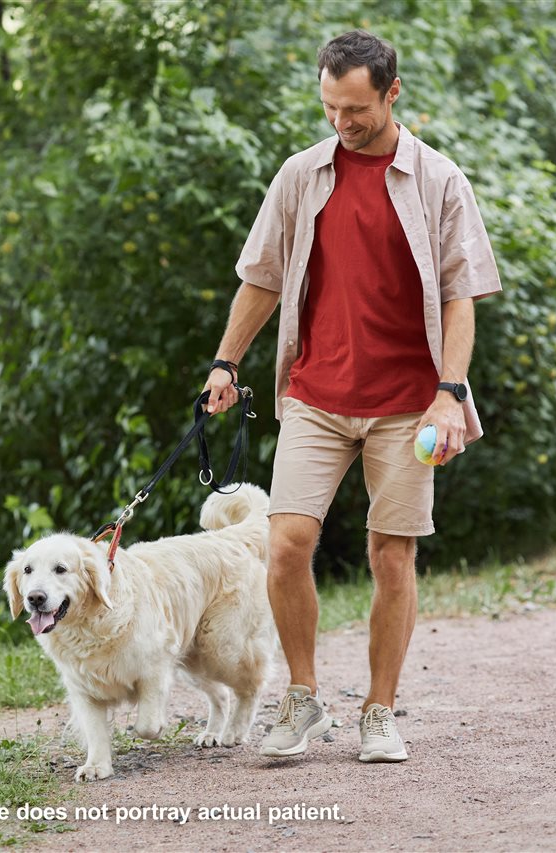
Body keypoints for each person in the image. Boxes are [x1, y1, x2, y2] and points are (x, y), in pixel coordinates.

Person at [202, 30, 501, 763]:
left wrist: (448, 393)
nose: (343, 121)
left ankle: (379, 710)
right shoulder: (301, 176)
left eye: (358, 109)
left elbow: (463, 297)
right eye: (332, 106)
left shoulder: (437, 181)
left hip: (409, 401)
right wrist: (224, 362)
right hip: (316, 393)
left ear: (393, 93)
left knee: (391, 555)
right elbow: (263, 276)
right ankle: (302, 697)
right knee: (285, 545)